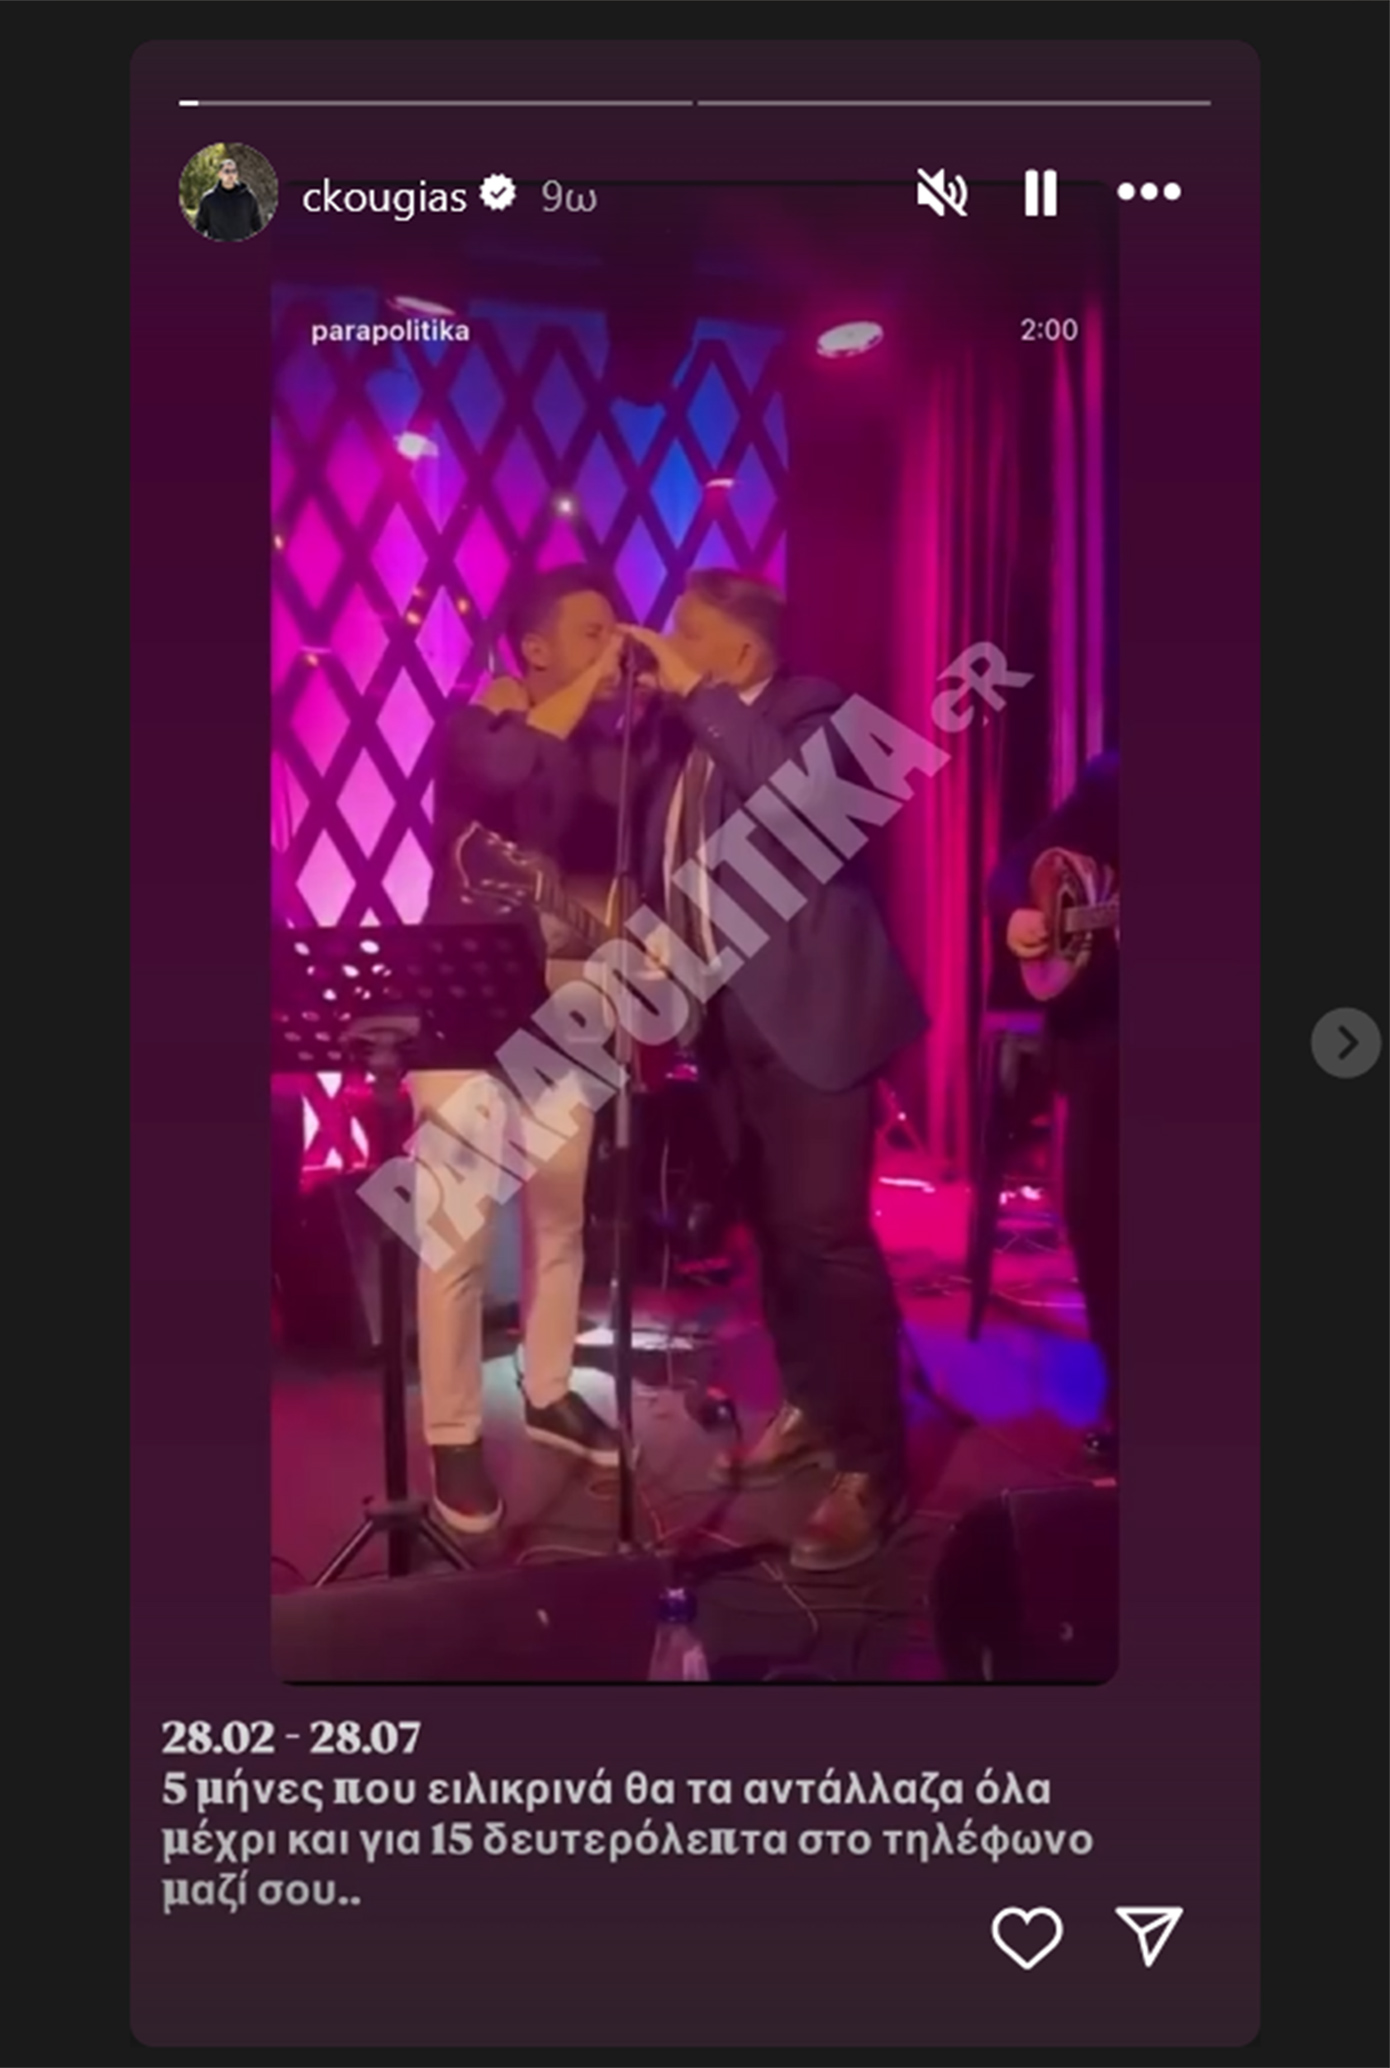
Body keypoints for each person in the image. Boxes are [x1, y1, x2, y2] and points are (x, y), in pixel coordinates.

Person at [611, 572, 928, 1573]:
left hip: (817, 1016)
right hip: (727, 1026)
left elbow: (803, 816)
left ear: (740, 654)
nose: (668, 647)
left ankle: (874, 1467)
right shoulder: (685, 745)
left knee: (828, 1235)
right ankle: (811, 1403)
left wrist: (702, 701)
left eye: (687, 635)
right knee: (777, 1236)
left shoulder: (816, 713)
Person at [409, 567, 628, 1535]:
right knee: (456, 1232)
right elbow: (503, 773)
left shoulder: (604, 750)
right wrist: (564, 701)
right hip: (460, 1001)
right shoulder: (472, 727)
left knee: (560, 1214)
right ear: (534, 649)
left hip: (561, 1009)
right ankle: (453, 1434)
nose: (614, 647)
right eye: (593, 632)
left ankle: (548, 1387)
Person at [989, 749, 1119, 1469]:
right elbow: (1014, 869)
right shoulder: (1116, 778)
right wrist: (1017, 912)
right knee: (1101, 1221)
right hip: (1106, 1041)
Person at [193, 159, 264, 241]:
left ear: (237, 174)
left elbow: (257, 224)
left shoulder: (248, 197)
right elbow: (200, 226)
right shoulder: (208, 199)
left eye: (234, 171)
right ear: (219, 174)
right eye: (227, 171)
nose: (231, 174)